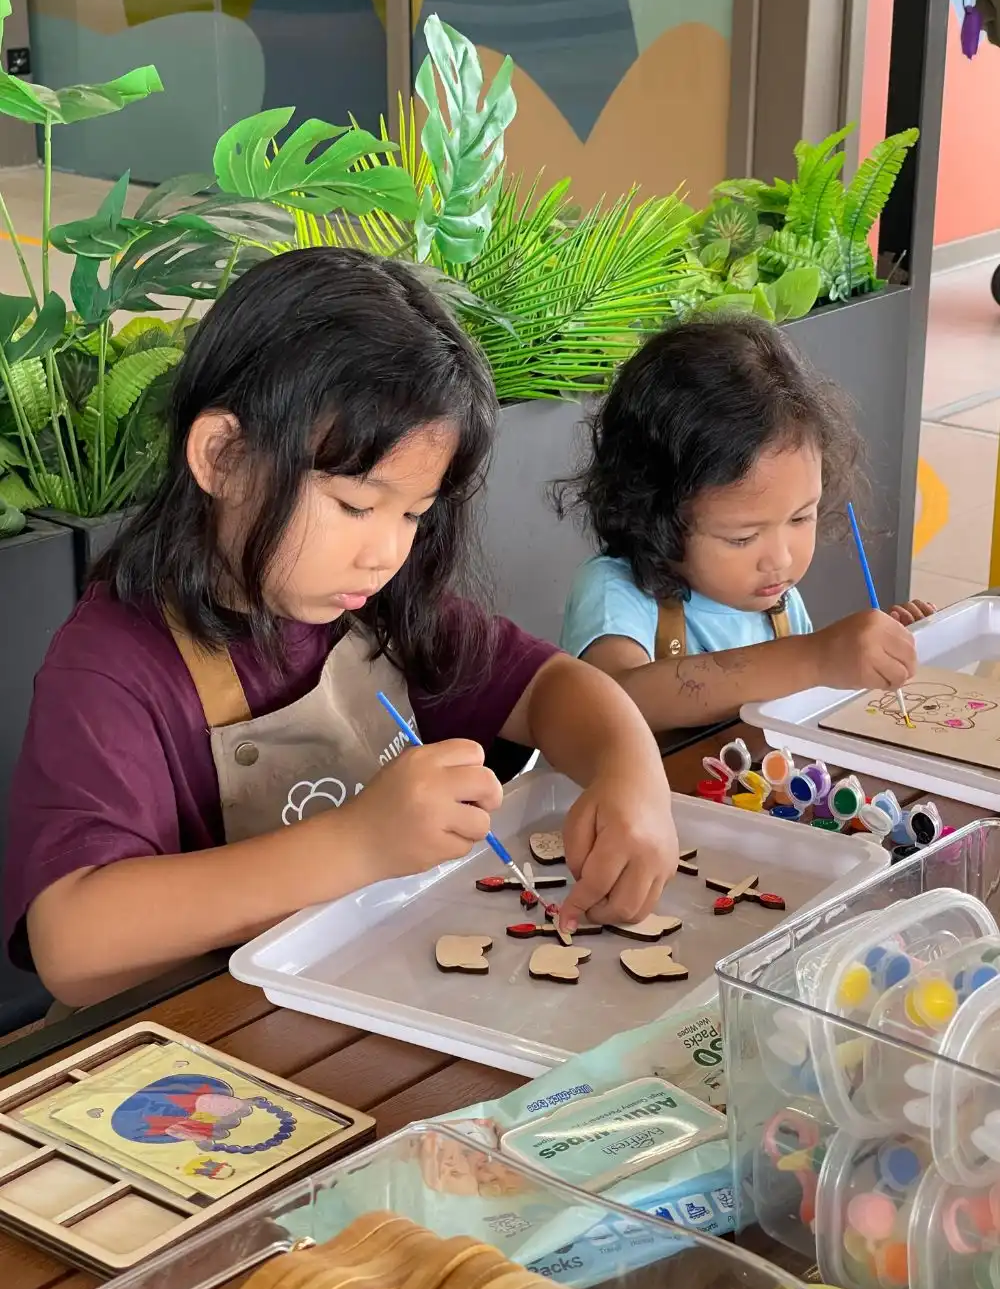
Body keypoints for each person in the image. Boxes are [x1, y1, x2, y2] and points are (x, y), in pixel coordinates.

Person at [5, 249, 678, 1008]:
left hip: (373, 1004)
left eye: (414, 514)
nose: (386, 550)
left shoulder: (379, 608)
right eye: (357, 506)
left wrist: (633, 778)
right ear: (223, 457)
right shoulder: (113, 665)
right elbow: (71, 942)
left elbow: (555, 686)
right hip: (209, 1063)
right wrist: (358, 843)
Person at [558, 315, 934, 732]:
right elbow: (620, 700)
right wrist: (814, 657)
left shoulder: (776, 601)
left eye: (801, 517)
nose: (780, 558)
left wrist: (872, 658)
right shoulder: (616, 592)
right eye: (743, 538)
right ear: (655, 512)